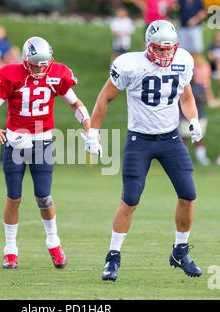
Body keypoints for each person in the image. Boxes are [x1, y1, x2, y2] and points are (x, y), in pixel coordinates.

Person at [84, 20, 203, 281]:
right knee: (131, 199)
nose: (164, 54)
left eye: (168, 49)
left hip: (171, 139)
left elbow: (186, 96)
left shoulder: (182, 60)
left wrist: (192, 119)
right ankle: (112, 258)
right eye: (159, 49)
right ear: (148, 46)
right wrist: (93, 132)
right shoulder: (131, 64)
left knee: (188, 194)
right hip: (140, 140)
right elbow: (105, 97)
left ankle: (180, 251)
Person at [0, 36, 91, 270]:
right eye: (35, 65)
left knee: (44, 196)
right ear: (25, 61)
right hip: (15, 142)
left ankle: (54, 242)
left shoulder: (57, 74)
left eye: (44, 65)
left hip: (42, 140)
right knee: (14, 197)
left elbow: (75, 104)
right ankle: (10, 250)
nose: (40, 70)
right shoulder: (11, 75)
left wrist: (88, 123)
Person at [178, 78, 211, 165]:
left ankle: (201, 157)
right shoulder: (181, 85)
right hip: (185, 116)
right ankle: (183, 157)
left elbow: (206, 99)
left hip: (198, 115)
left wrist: (201, 98)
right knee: (184, 137)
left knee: (199, 137)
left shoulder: (199, 86)